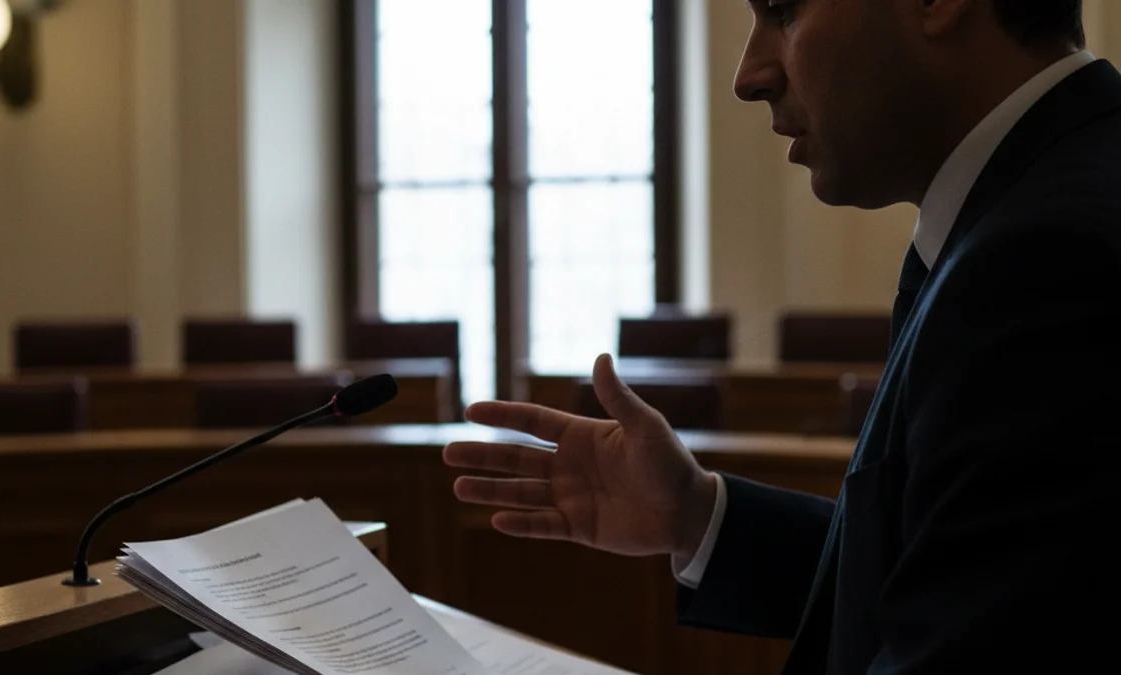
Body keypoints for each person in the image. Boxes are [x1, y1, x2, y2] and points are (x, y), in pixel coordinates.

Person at [443, 0, 1121, 673]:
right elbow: (960, 581)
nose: (749, 74)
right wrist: (697, 514)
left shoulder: (1048, 260)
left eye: (783, 10)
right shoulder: (1040, 208)